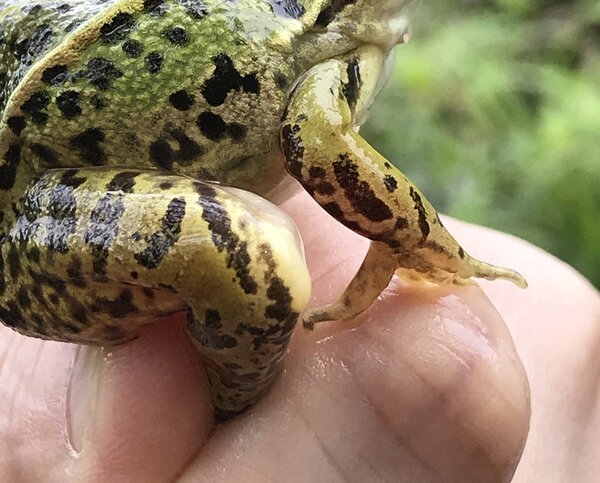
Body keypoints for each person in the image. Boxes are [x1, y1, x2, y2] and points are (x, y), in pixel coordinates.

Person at [1, 188, 598, 482]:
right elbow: (321, 145)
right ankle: (234, 396)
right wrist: (421, 239)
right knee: (236, 254)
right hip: (36, 203)